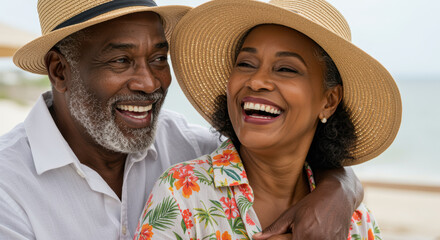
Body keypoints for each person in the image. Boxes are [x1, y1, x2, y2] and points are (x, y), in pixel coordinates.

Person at [0, 0, 364, 239]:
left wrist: (339, 189)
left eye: (159, 59)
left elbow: (282, 155)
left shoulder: (189, 146)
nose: (149, 82)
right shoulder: (8, 187)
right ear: (60, 71)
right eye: (120, 61)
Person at [134, 0, 402, 239]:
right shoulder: (182, 195)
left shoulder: (354, 220)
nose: (257, 81)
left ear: (329, 101)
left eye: (286, 69)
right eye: (246, 64)